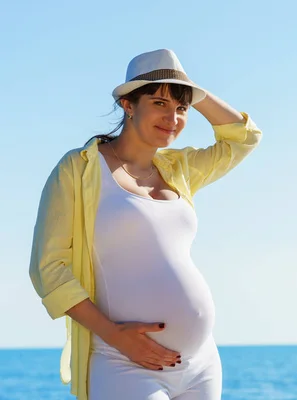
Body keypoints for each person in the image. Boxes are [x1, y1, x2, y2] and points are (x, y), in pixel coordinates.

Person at [28, 49, 262, 400]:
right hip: (122, 360)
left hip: (200, 364)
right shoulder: (79, 169)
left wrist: (190, 91)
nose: (173, 118)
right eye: (158, 103)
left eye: (181, 109)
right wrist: (116, 336)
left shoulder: (178, 169)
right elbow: (49, 268)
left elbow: (244, 139)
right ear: (128, 104)